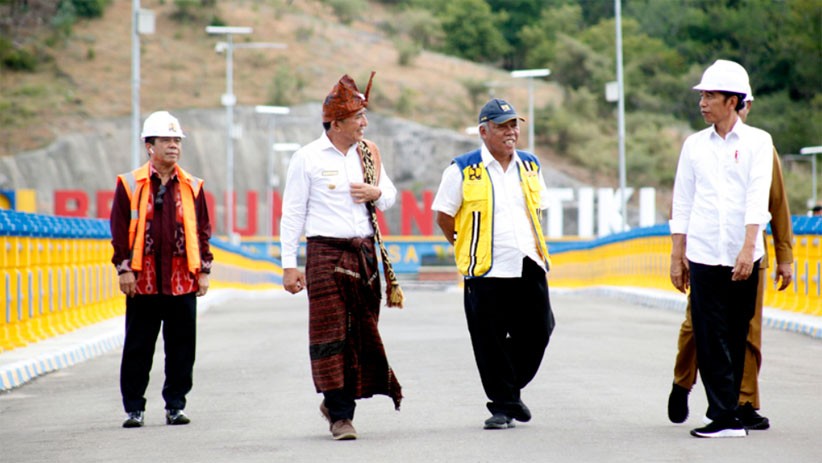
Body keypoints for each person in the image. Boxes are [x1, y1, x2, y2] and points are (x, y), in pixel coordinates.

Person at [280, 72, 404, 441]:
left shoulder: (369, 153)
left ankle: (339, 401)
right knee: (330, 334)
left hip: (363, 255)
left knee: (361, 334)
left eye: (365, 118)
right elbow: (292, 213)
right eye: (358, 119)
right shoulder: (307, 158)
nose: (364, 124)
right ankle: (340, 415)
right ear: (336, 123)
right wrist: (289, 265)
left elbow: (390, 196)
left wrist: (374, 192)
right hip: (325, 255)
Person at [667, 74, 794, 432]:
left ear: (736, 102)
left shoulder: (759, 144)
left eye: (711, 95)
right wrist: (678, 254)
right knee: (702, 329)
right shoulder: (694, 145)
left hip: (747, 254)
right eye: (702, 95)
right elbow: (682, 200)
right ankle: (695, 391)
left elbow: (770, 202)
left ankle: (741, 406)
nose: (702, 102)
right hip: (705, 252)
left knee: (742, 334)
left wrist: (774, 253)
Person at [431, 98, 555, 430]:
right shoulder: (462, 169)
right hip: (485, 268)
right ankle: (502, 406)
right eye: (502, 126)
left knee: (540, 330)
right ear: (483, 131)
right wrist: (463, 246)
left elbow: (538, 208)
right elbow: (444, 215)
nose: (511, 131)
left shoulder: (530, 164)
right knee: (489, 339)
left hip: (528, 261)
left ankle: (509, 394)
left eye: (514, 125)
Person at [110, 110, 213, 428]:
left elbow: (203, 230)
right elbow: (119, 228)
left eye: (177, 140)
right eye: (166, 140)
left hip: (183, 279)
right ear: (149, 146)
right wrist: (123, 268)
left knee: (182, 348)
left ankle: (175, 405)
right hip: (143, 280)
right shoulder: (130, 184)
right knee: (138, 346)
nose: (173, 146)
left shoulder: (192, 186)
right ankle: (134, 408)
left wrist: (205, 269)